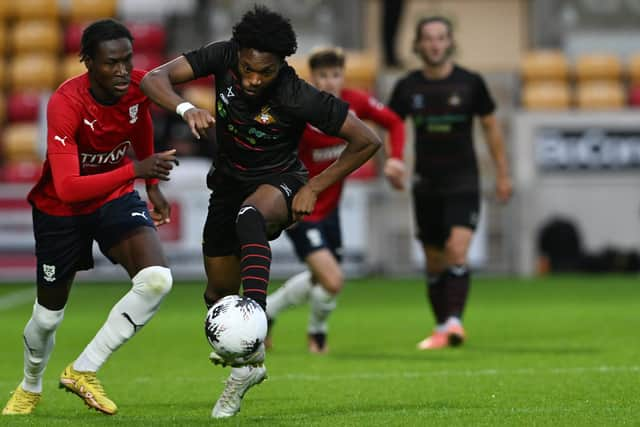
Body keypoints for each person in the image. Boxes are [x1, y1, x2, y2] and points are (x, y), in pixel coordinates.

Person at [140, 5, 381, 419]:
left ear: (282, 64)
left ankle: (253, 330)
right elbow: (151, 78)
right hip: (228, 183)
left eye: (264, 72)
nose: (253, 79)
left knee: (250, 218)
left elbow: (367, 139)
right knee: (216, 294)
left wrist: (314, 185)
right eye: (248, 69)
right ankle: (250, 367)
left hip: (281, 181)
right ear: (238, 54)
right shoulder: (222, 55)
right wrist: (185, 109)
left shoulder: (297, 94)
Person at [1, 19, 177, 416]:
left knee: (156, 279)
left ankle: (84, 368)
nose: (121, 70)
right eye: (110, 63)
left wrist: (150, 185)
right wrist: (137, 170)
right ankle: (30, 386)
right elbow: (67, 187)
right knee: (47, 319)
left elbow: (139, 121)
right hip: (60, 211)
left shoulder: (137, 87)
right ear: (87, 63)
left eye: (126, 60)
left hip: (113, 199)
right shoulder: (66, 103)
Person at [265, 47, 406, 354]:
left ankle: (267, 313)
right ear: (312, 78)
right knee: (332, 279)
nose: (330, 82)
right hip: (301, 206)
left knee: (322, 277)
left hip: (331, 206)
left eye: (335, 75)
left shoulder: (353, 103)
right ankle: (318, 335)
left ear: (343, 76)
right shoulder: (300, 107)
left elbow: (394, 121)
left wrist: (396, 159)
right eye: (323, 76)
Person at [388, 16, 512, 350]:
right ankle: (442, 326)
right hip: (425, 183)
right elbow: (393, 125)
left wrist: (502, 173)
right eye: (428, 39)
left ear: (450, 42)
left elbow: (490, 127)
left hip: (463, 180)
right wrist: (394, 160)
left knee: (457, 249)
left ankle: (455, 323)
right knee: (433, 260)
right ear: (417, 45)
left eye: (441, 38)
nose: (434, 44)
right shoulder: (407, 86)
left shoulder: (470, 83)